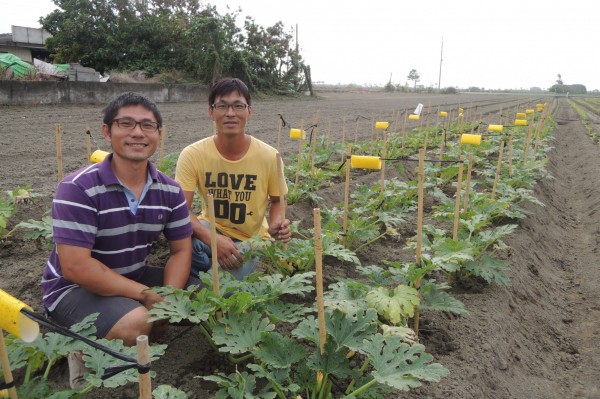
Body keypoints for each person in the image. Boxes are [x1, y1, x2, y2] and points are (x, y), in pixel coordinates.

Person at [41, 92, 193, 388]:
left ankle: (126, 321)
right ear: (107, 132)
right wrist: (146, 295)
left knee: (200, 292)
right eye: (127, 123)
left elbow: (181, 250)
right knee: (137, 323)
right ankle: (80, 350)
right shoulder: (77, 188)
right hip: (72, 289)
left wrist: (170, 298)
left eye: (147, 126)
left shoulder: (170, 191)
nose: (138, 132)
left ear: (159, 134)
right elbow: (76, 268)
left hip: (130, 276)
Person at [175, 77, 291, 281]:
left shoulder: (270, 156)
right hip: (209, 229)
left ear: (249, 112)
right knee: (182, 242)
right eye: (222, 106)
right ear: (211, 112)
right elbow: (181, 210)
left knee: (221, 283)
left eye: (238, 106)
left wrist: (276, 222)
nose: (230, 113)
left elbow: (277, 201)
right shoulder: (192, 154)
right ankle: (210, 272)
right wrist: (214, 240)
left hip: (251, 239)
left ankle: (206, 276)